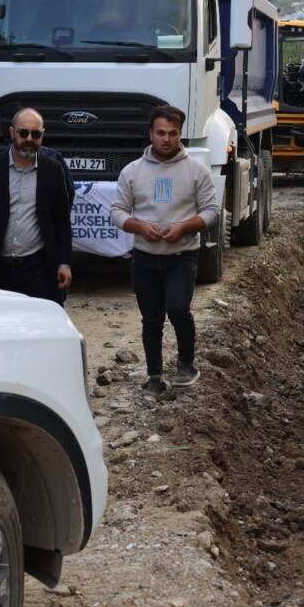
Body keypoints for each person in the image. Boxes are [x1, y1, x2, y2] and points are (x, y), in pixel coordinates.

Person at [110, 105, 218, 396]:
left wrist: (184, 227)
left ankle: (186, 365)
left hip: (182, 256)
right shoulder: (132, 172)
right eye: (161, 133)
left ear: (180, 134)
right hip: (144, 257)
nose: (167, 139)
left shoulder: (196, 170)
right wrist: (139, 227)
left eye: (173, 133)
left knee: (178, 308)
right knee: (152, 318)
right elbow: (117, 211)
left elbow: (211, 211)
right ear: (151, 134)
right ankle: (154, 375)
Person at [0, 108, 73, 304]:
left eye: (36, 134)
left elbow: (62, 220)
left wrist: (65, 263)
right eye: (24, 133)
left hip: (39, 267)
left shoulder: (53, 170)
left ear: (42, 135)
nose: (29, 138)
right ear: (12, 133)